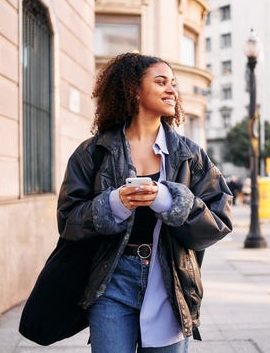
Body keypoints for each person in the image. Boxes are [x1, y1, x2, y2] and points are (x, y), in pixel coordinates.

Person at [57, 52, 233, 353]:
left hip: (170, 283)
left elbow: (219, 220)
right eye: (161, 82)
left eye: (173, 84)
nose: (172, 91)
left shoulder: (190, 155)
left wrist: (169, 200)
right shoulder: (93, 152)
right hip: (111, 283)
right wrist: (113, 203)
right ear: (134, 90)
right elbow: (67, 221)